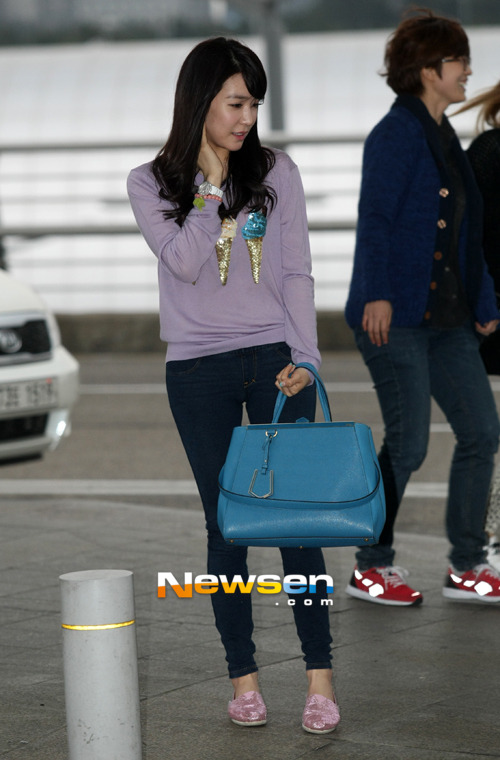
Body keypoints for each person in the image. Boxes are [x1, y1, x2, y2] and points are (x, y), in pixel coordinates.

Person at [127, 37, 339, 733]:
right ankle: (243, 678)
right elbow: (186, 262)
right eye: (236, 103)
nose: (248, 118)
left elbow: (297, 270)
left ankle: (319, 678)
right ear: (200, 102)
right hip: (197, 369)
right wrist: (210, 186)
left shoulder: (278, 171)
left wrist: (308, 358)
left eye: (254, 104)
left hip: (277, 359)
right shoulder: (150, 182)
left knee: (296, 521)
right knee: (228, 527)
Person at [344, 8, 500, 606]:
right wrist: (377, 293)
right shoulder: (395, 134)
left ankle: (467, 565)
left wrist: (483, 299)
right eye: (460, 60)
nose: (469, 72)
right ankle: (370, 566)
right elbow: (375, 221)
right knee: (408, 444)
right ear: (430, 69)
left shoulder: (444, 135)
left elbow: (467, 231)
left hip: (449, 321)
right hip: (397, 318)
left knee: (482, 432)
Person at [454, 81, 500, 572]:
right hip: (491, 309)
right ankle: (493, 542)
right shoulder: (489, 150)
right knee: (484, 436)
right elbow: (467, 234)